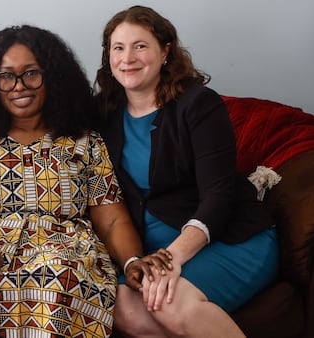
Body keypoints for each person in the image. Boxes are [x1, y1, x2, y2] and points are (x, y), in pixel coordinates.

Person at [0, 25, 171, 338]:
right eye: (6, 76)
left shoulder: (83, 142)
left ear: (52, 78)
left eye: (31, 73)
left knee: (57, 275)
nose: (19, 86)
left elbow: (112, 219)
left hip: (65, 250)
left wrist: (130, 261)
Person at [94, 5, 279, 337]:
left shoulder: (199, 105)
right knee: (113, 302)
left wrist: (170, 258)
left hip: (225, 239)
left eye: (140, 46)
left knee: (167, 302)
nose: (127, 58)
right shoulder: (105, 113)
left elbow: (218, 196)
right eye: (118, 48)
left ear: (165, 51)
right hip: (150, 255)